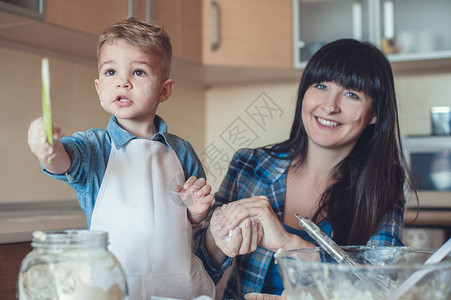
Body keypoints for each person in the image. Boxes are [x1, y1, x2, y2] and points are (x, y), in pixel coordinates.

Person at [193, 39, 414, 299]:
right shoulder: (249, 165)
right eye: (321, 86)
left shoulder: (383, 186)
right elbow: (200, 269)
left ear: (375, 113)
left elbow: (381, 289)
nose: (330, 106)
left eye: (351, 94)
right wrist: (217, 240)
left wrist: (291, 245)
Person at [28, 18, 215, 299]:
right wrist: (47, 148)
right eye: (111, 71)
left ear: (164, 90)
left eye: (138, 72)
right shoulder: (93, 148)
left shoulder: (182, 151)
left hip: (179, 289)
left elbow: (192, 222)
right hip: (112, 289)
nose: (122, 82)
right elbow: (60, 161)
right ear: (99, 87)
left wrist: (197, 211)